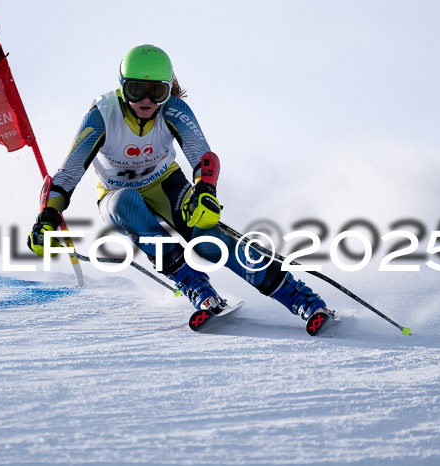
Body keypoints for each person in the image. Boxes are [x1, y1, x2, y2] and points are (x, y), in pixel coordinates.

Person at [28, 44, 329, 321]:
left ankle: (299, 296)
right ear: (122, 89)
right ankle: (196, 286)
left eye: (156, 92)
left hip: (165, 182)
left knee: (209, 242)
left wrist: (205, 193)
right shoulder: (101, 117)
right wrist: (47, 217)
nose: (146, 101)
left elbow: (203, 159)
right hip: (115, 193)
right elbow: (67, 176)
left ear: (167, 90)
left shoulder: (174, 109)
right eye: (136, 90)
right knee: (128, 204)